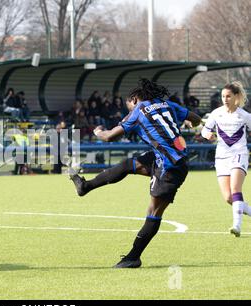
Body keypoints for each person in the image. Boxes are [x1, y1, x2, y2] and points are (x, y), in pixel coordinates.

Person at [70, 79, 201, 268]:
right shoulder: (168, 104)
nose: (129, 110)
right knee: (128, 164)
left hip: (171, 166)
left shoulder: (139, 111)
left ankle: (133, 256)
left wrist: (98, 131)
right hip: (166, 157)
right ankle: (86, 186)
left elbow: (108, 137)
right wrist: (188, 121)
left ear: (134, 99)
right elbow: (196, 119)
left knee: (154, 211)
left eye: (129, 106)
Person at [201, 81, 251, 237]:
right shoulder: (216, 113)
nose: (225, 99)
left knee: (236, 190)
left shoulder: (244, 116)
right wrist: (206, 134)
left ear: (236, 96)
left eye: (228, 96)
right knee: (229, 198)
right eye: (223, 96)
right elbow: (205, 129)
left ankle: (237, 226)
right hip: (221, 157)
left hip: (239, 154)